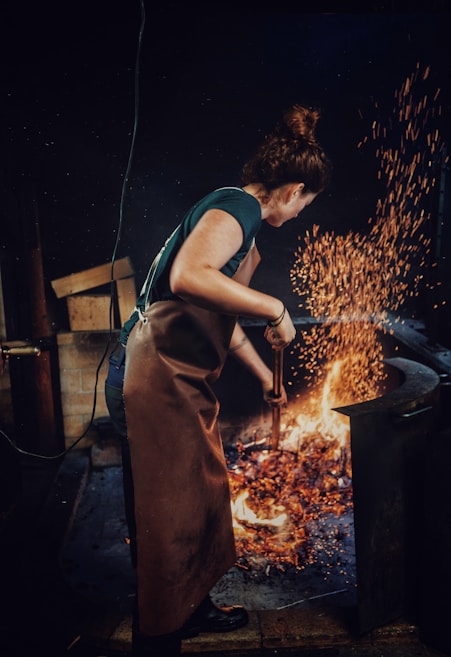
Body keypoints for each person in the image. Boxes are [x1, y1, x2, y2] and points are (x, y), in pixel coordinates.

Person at [106, 104, 331, 656]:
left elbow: (220, 321)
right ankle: (158, 637)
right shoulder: (237, 205)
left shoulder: (246, 237)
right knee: (164, 511)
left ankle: (192, 607)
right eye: (306, 203)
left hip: (181, 381)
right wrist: (275, 309)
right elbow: (187, 278)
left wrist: (262, 376)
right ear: (294, 189)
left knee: (201, 496)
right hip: (150, 374)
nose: (301, 213)